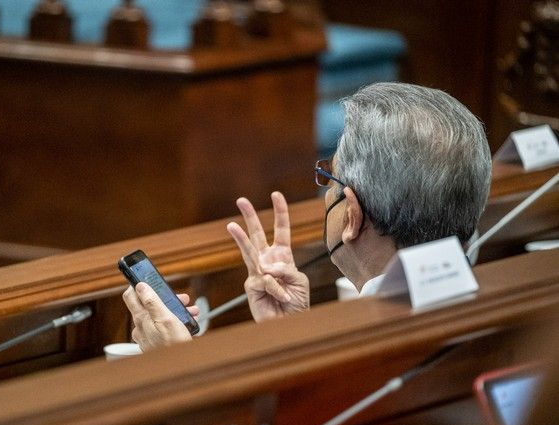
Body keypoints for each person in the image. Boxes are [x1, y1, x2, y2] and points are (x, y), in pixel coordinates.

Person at [122, 82, 492, 350]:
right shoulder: (491, 309)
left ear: (351, 216)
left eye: (329, 178)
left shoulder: (375, 344)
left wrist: (174, 362)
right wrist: (293, 332)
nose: (324, 192)